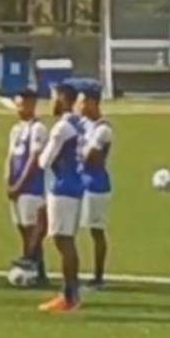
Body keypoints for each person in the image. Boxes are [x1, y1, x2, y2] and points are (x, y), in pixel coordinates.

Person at [36, 81, 86, 313]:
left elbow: (43, 161)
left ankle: (69, 295)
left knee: (63, 241)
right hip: (74, 185)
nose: (51, 101)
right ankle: (71, 293)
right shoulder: (79, 124)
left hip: (62, 186)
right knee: (66, 239)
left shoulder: (62, 128)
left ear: (64, 99)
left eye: (55, 97)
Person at [5, 88, 49, 284]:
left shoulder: (38, 129)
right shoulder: (16, 129)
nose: (18, 108)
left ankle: (39, 271)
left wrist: (20, 184)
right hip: (16, 188)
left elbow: (34, 158)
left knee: (33, 230)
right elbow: (11, 157)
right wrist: (8, 181)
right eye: (17, 104)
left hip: (32, 188)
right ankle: (31, 268)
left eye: (22, 104)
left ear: (32, 104)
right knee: (23, 230)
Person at [77, 82, 113, 289]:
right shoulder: (84, 124)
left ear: (92, 102)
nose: (79, 106)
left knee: (96, 231)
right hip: (82, 182)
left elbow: (90, 158)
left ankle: (98, 277)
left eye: (82, 102)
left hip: (96, 185)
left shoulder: (103, 129)